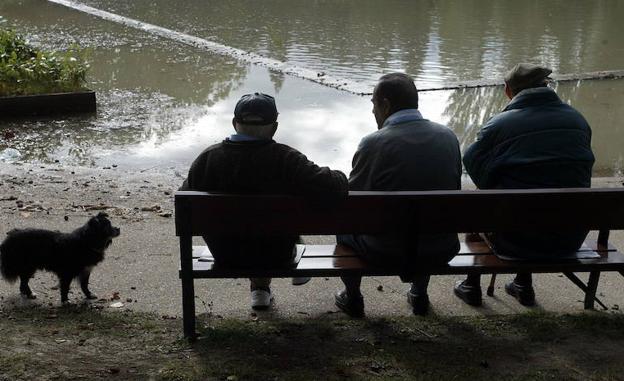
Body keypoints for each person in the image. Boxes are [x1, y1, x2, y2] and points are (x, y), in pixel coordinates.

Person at [180, 93, 348, 310]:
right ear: (274, 127)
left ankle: (259, 290)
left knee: (250, 230)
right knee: (273, 230)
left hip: (225, 254)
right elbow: (332, 187)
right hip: (278, 256)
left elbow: (184, 202)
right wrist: (342, 176)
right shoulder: (287, 159)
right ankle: (265, 286)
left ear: (234, 123)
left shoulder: (208, 159)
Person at [454, 63, 595, 307]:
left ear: (508, 90)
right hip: (569, 237)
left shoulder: (499, 125)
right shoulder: (578, 120)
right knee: (537, 193)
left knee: (483, 202)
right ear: (546, 87)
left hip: (516, 242)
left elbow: (474, 164)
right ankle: (522, 285)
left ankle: (471, 285)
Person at [335, 73, 462, 317]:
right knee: (426, 218)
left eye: (373, 104)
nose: (372, 111)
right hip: (439, 248)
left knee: (345, 224)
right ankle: (418, 293)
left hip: (385, 251)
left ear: (385, 104)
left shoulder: (373, 143)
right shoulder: (448, 137)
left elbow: (353, 200)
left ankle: (352, 297)